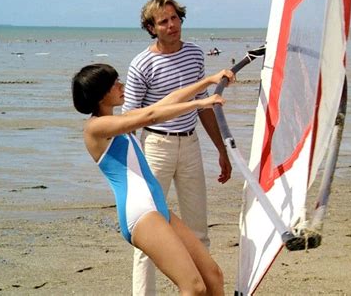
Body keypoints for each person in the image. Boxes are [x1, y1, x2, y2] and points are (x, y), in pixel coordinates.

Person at [72, 63, 235, 295]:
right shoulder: (96, 128)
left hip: (158, 210)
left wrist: (208, 80)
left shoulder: (120, 121)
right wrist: (200, 103)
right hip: (139, 214)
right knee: (194, 286)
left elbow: (166, 103)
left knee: (213, 276)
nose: (121, 85)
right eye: (115, 83)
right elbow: (151, 116)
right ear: (101, 94)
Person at [122, 0, 232, 295]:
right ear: (151, 28)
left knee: (198, 231)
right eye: (163, 21)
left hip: (191, 145)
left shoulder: (195, 55)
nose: (172, 25)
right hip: (156, 147)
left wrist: (221, 150)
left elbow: (203, 107)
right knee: (149, 237)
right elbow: (129, 118)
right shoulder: (141, 64)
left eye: (175, 18)